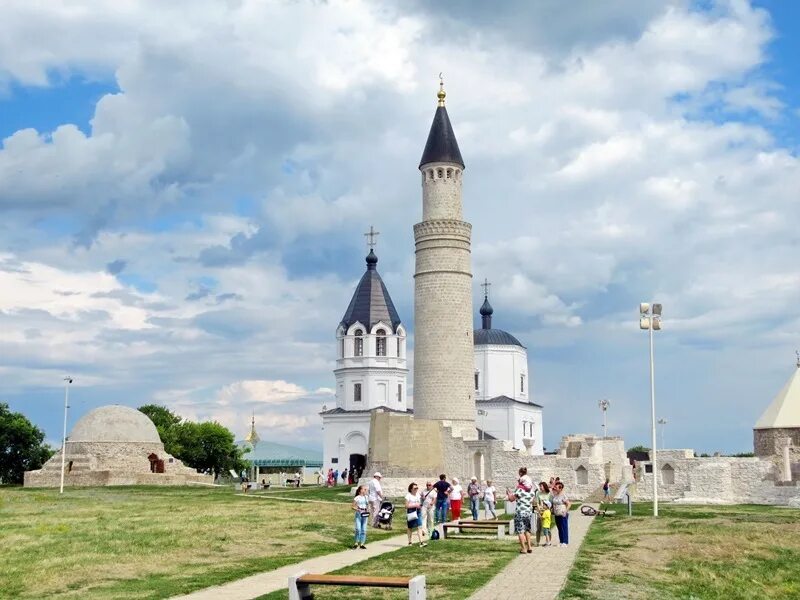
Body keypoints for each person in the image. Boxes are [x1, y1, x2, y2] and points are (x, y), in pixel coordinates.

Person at [508, 474, 534, 553]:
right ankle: (529, 547)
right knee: (527, 529)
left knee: (520, 531)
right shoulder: (531, 490)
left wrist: (509, 494)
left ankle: (523, 548)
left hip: (520, 512)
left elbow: (512, 499)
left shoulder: (519, 489)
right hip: (528, 512)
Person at [405, 483, 427, 547]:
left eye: (417, 488)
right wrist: (415, 505)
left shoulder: (418, 495)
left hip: (418, 511)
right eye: (415, 488)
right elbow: (406, 506)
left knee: (419, 526)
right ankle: (409, 542)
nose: (416, 489)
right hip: (411, 512)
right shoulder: (408, 496)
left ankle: (421, 542)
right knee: (410, 527)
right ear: (411, 489)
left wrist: (421, 503)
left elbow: (420, 502)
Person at [551, 480, 571, 546]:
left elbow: (569, 504)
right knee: (559, 528)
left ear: (560, 488)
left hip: (562, 513)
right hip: (556, 513)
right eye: (555, 487)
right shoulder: (555, 495)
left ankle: (565, 542)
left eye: (557, 487)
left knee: (564, 527)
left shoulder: (563, 495)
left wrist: (565, 511)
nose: (555, 488)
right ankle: (561, 541)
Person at [535, 481, 551, 546]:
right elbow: (537, 502)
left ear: (544, 487)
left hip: (547, 512)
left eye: (541, 486)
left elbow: (550, 503)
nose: (540, 488)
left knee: (547, 528)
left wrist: (547, 510)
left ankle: (548, 541)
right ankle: (537, 541)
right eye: (539, 486)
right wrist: (539, 509)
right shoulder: (538, 493)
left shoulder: (549, 494)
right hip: (540, 511)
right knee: (538, 528)